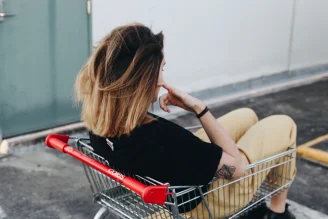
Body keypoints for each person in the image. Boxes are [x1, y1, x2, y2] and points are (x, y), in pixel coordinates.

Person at [75, 23, 296, 219]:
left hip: (170, 177)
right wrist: (198, 108)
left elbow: (175, 148)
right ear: (144, 82)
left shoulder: (100, 127)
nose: (162, 80)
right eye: (161, 70)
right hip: (207, 200)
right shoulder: (164, 137)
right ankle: (277, 212)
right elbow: (236, 169)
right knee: (283, 123)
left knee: (247, 115)